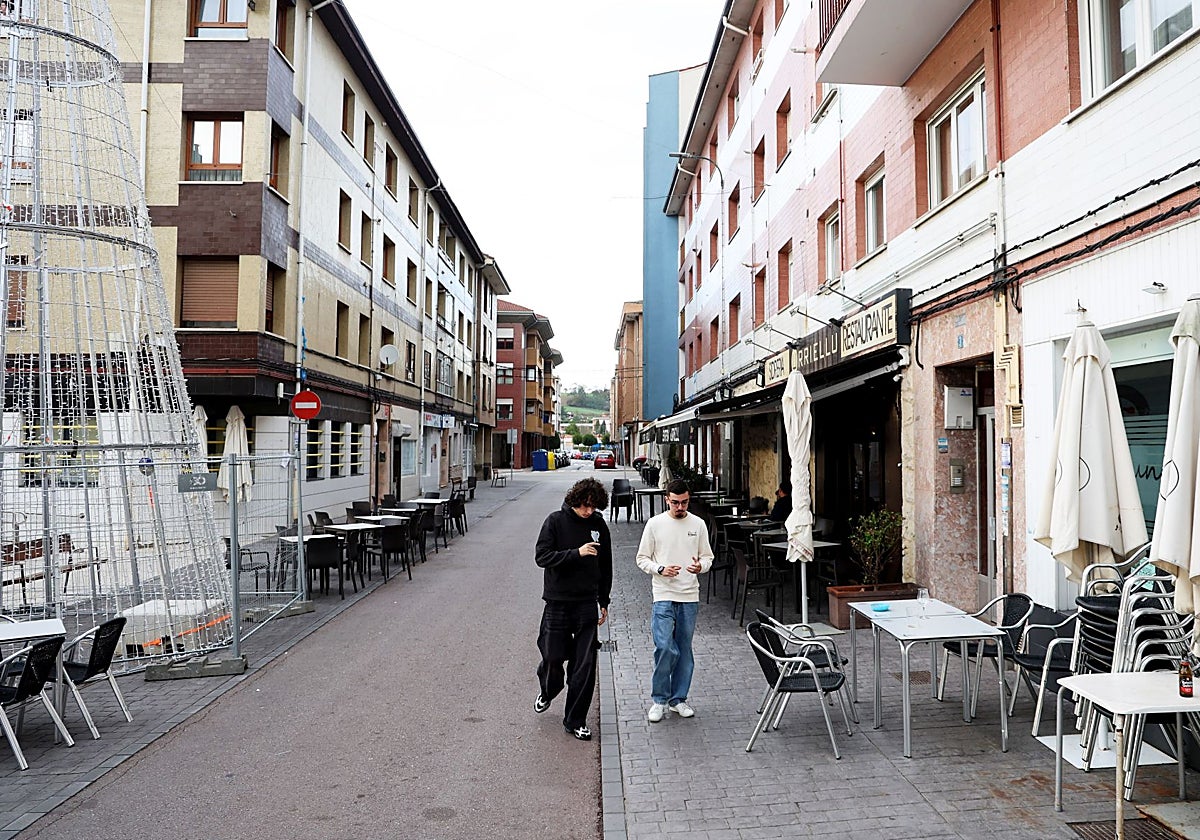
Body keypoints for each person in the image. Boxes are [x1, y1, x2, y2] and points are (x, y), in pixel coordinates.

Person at [534, 477, 612, 741]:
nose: (588, 511)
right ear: (575, 500)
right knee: (553, 656)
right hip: (557, 601)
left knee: (584, 665)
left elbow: (606, 565)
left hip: (586, 603)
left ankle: (575, 720)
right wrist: (575, 553)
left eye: (593, 507)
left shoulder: (599, 524)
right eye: (585, 506)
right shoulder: (555, 521)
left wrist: (604, 600)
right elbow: (542, 557)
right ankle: (548, 688)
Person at [634, 478, 714, 722]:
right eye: (676, 503)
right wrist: (660, 569)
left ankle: (678, 699)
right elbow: (642, 558)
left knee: (684, 649)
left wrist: (701, 566)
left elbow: (708, 558)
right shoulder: (655, 524)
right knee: (665, 647)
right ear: (667, 499)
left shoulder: (698, 524)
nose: (681, 507)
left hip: (690, 595)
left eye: (685, 502)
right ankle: (659, 699)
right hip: (663, 595)